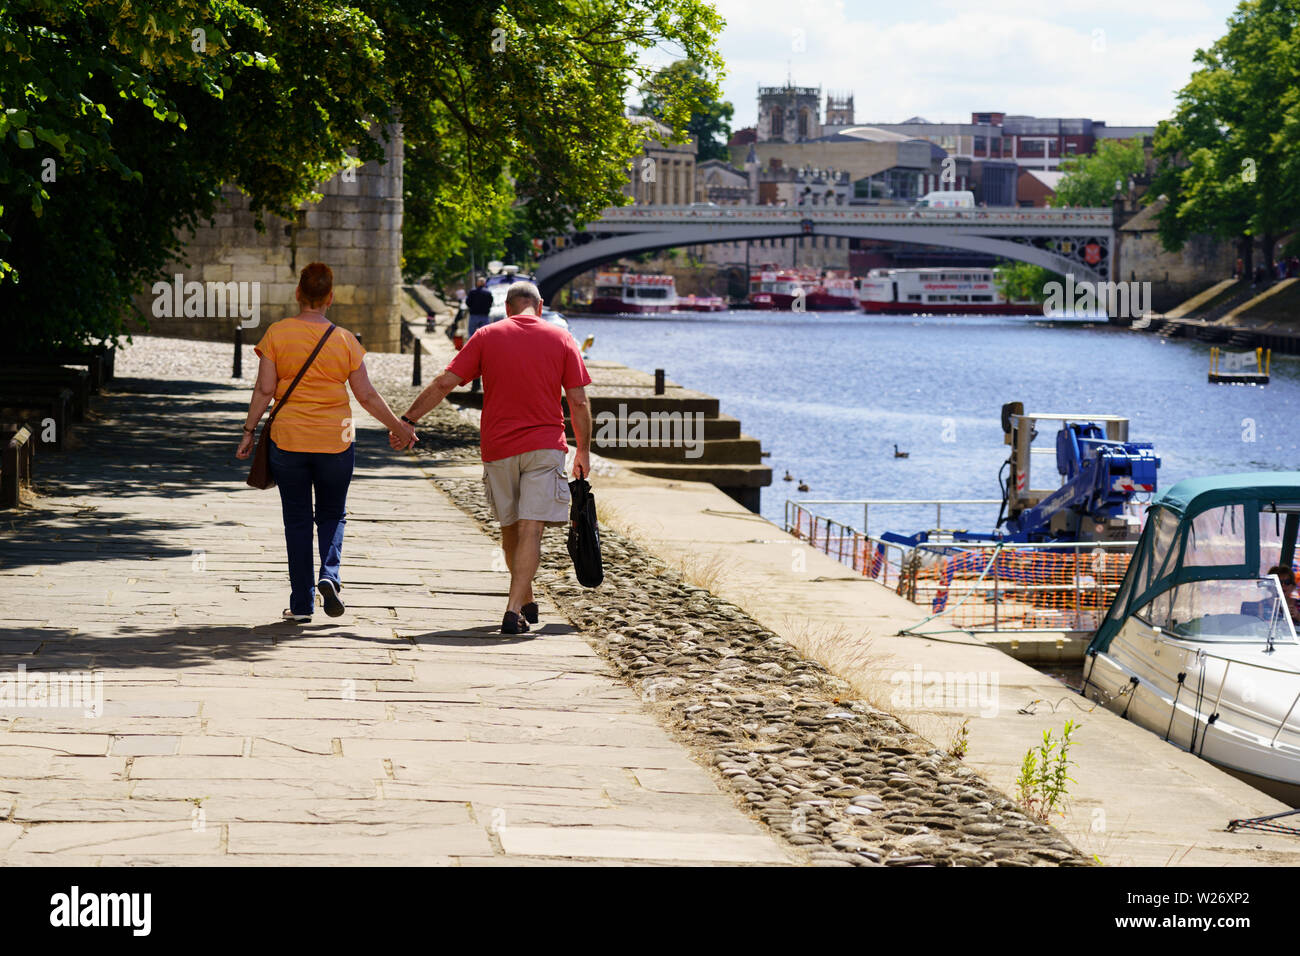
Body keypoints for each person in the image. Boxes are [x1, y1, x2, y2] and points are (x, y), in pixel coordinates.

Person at [393, 280, 592, 634]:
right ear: (540, 306)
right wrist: (584, 451)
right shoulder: (562, 339)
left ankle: (522, 603)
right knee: (532, 529)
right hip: (545, 447)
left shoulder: (486, 336)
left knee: (510, 528)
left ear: (509, 308)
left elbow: (444, 383)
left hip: (498, 447)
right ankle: (517, 605)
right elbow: (578, 401)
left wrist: (407, 421)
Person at [237, 262, 418, 622]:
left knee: (298, 519)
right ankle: (329, 575)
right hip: (337, 439)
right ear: (330, 298)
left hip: (288, 440)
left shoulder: (276, 334)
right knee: (333, 513)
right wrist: (398, 426)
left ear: (298, 295)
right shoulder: (345, 340)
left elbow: (265, 389)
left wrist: (249, 431)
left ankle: (302, 604)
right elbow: (366, 395)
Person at [463, 277, 494, 394]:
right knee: (485, 334)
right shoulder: (488, 293)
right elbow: (491, 303)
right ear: (484, 283)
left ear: (477, 283)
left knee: (471, 334)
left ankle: (471, 348)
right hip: (484, 315)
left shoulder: (472, 292)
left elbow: (467, 302)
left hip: (474, 315)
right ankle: (484, 347)